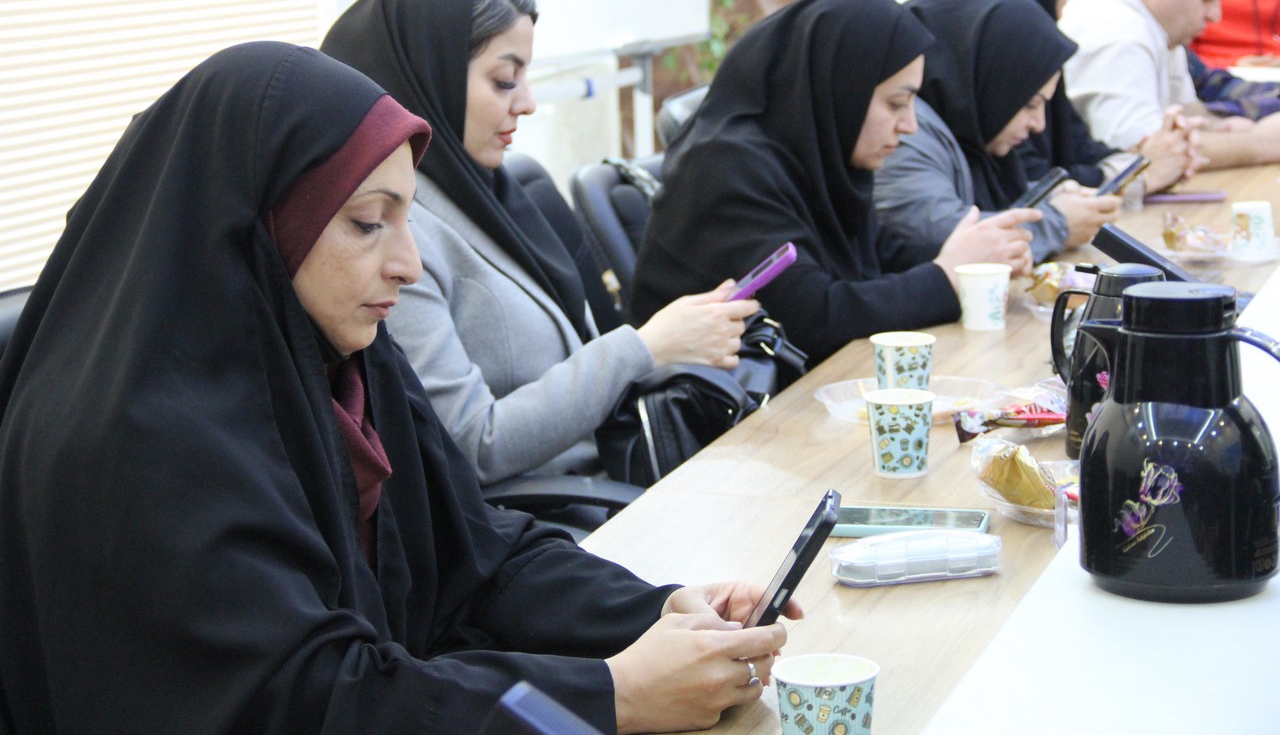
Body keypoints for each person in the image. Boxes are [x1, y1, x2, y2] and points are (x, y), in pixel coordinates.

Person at [0, 41, 794, 733]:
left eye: (407, 217)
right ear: (258, 221)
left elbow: (476, 555)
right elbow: (306, 700)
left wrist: (657, 612)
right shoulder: (140, 442)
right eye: (367, 221)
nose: (407, 263)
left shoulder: (340, 359)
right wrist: (611, 694)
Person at [320, 0, 758, 487]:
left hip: (604, 479)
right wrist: (644, 348)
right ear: (431, 75)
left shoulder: (495, 194)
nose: (527, 103)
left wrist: (670, 342)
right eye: (505, 80)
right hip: (552, 512)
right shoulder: (392, 238)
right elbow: (470, 443)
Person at [627, 0, 1040, 365]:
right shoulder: (726, 168)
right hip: (725, 411)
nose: (909, 125)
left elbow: (877, 253)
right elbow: (813, 319)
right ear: (842, 90)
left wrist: (974, 258)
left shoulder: (818, 152)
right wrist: (945, 278)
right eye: (896, 104)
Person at [942, 0, 1196, 194]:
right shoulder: (982, 61)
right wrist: (1134, 175)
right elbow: (1029, 183)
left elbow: (1081, 149)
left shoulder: (1037, 49)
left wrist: (1153, 155)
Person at [875, 0, 1120, 264]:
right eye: (1029, 104)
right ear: (993, 86)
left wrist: (1049, 199)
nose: (1039, 125)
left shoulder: (966, 131)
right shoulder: (907, 133)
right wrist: (1058, 221)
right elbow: (945, 236)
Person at [1060, 0, 1280, 170]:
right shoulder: (1112, 29)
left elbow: (1186, 110)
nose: (1215, 15)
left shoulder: (1156, 20)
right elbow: (1145, 151)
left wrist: (1222, 127)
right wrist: (1263, 143)